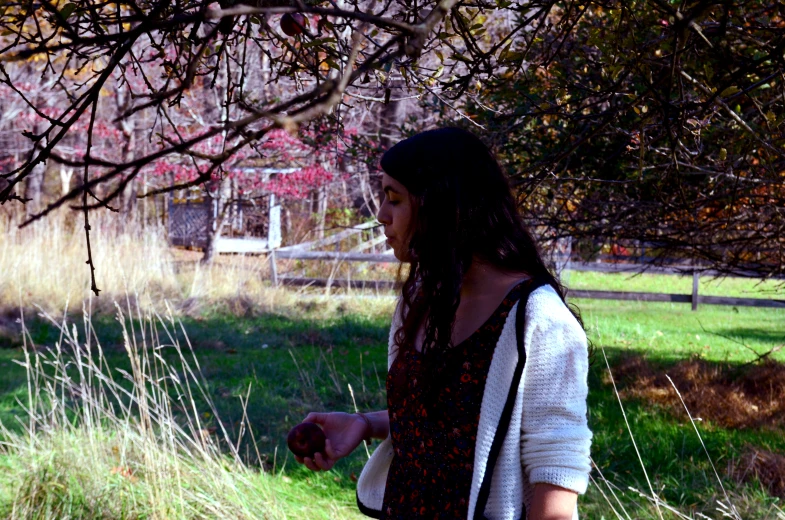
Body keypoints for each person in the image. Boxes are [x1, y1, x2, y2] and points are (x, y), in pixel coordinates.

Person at [294, 127, 592, 519]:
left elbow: (556, 471)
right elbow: (450, 420)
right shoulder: (422, 299)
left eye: (394, 199)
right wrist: (365, 425)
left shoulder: (539, 319)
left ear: (443, 206)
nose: (382, 215)